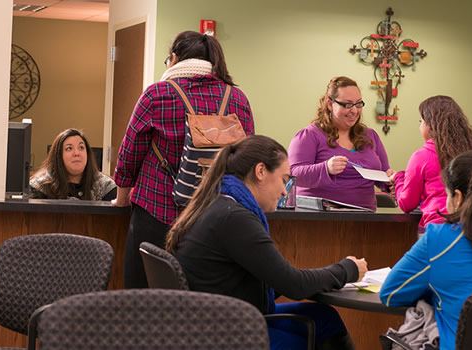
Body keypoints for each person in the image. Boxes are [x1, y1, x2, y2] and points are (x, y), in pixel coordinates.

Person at [168, 135, 366, 350]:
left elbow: (280, 279)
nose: (284, 191)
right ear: (260, 171)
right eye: (284, 179)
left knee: (324, 317)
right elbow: (294, 285)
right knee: (308, 336)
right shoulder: (234, 218)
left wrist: (312, 276)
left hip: (214, 320)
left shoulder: (219, 205)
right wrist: (347, 269)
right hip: (225, 333)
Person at [112, 31, 255, 288]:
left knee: (144, 299)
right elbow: (247, 155)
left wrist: (121, 198)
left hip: (158, 211)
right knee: (199, 300)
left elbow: (130, 152)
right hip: (213, 216)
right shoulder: (237, 98)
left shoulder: (158, 94)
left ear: (174, 58)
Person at [380, 150, 472, 350]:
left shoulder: (440, 239)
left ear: (458, 198)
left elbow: (390, 294)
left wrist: (437, 289)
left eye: (447, 193)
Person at [288, 76, 392, 210]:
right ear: (330, 104)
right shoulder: (309, 135)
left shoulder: (370, 136)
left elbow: (384, 174)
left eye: (358, 104)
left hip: (364, 217)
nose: (354, 111)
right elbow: (292, 175)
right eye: (347, 104)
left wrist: (391, 181)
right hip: (319, 216)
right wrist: (326, 168)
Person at [388, 96, 472, 233]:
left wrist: (398, 178)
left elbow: (406, 203)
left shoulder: (422, 156)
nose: (420, 126)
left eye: (421, 121)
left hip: (438, 228)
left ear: (431, 125)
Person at [29, 128, 116, 201]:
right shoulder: (40, 187)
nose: (77, 153)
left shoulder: (105, 186)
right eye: (69, 148)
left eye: (81, 147)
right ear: (58, 156)